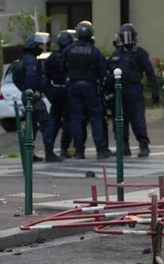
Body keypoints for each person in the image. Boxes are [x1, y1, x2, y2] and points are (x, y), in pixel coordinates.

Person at [105, 22, 160, 158]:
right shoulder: (116, 53)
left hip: (134, 88)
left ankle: (143, 145)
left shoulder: (139, 53)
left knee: (137, 119)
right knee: (120, 120)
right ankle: (123, 147)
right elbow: (108, 72)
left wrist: (154, 90)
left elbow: (149, 72)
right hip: (119, 90)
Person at [63, 20, 110, 159]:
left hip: (73, 86)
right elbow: (103, 70)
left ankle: (79, 150)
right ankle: (100, 149)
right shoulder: (94, 51)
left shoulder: (69, 49)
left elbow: (61, 66)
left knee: (76, 118)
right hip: (90, 86)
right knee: (95, 118)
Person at [9, 32, 54, 160]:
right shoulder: (31, 60)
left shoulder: (21, 60)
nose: (41, 48)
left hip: (26, 96)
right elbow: (31, 76)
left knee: (31, 126)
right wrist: (33, 91)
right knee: (46, 123)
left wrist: (24, 90)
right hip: (33, 97)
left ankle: (29, 154)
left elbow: (15, 78)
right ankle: (49, 153)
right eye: (40, 45)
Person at [41, 30, 73, 160]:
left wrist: (49, 92)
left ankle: (50, 147)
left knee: (54, 120)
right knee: (68, 120)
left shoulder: (52, 57)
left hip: (55, 91)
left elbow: (46, 77)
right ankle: (64, 148)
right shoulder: (70, 56)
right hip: (67, 89)